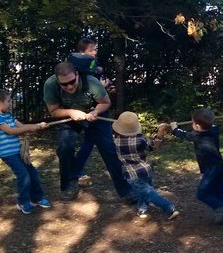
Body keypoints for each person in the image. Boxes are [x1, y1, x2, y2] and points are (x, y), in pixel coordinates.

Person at [43, 62, 131, 202]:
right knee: (64, 148)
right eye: (64, 84)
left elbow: (105, 102)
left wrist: (95, 112)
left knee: (109, 149)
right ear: (58, 81)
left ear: (77, 75)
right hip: (69, 115)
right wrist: (71, 112)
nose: (69, 86)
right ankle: (69, 186)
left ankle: (126, 190)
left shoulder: (91, 82)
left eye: (72, 82)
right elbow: (53, 111)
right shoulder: (50, 85)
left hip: (95, 113)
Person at [112, 111, 179, 220]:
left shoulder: (115, 140)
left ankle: (168, 207)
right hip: (146, 170)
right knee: (143, 191)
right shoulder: (140, 139)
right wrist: (160, 132)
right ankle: (143, 209)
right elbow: (153, 146)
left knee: (148, 193)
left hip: (132, 174)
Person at [170, 108, 223, 225]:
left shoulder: (197, 136)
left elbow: (183, 134)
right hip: (220, 167)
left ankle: (221, 208)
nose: (192, 124)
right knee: (219, 190)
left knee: (202, 193)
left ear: (197, 126)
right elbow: (208, 125)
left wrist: (174, 128)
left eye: (193, 122)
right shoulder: (214, 130)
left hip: (211, 170)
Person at [68, 37, 115, 184]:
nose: (95, 52)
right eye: (91, 50)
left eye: (95, 49)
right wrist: (102, 86)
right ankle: (119, 173)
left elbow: (101, 81)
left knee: (89, 141)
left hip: (99, 108)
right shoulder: (78, 69)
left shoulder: (94, 64)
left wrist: (107, 86)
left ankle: (75, 170)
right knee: (106, 143)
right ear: (81, 52)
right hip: (92, 111)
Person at [0, 90, 51, 214]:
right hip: (8, 154)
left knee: (32, 172)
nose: (10, 103)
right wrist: (30, 127)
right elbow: (11, 131)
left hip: (18, 152)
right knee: (23, 175)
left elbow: (22, 127)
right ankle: (23, 201)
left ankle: (36, 198)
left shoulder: (9, 116)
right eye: (8, 101)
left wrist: (38, 125)